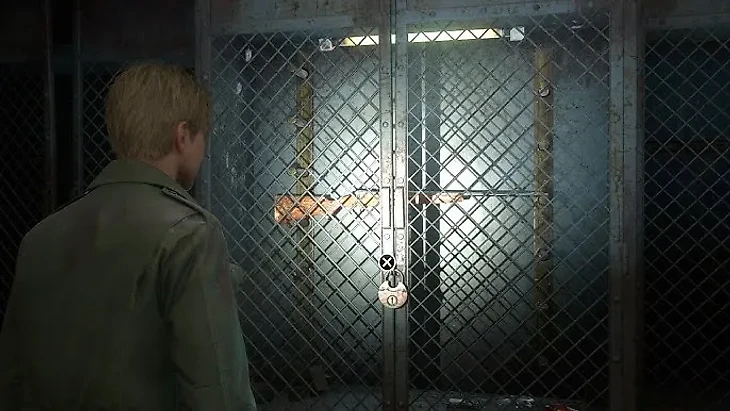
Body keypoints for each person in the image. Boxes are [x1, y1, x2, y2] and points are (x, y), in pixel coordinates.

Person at [0, 63, 257, 410]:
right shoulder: (191, 235)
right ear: (183, 136)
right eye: (202, 137)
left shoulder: (39, 238)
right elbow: (219, 395)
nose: (203, 150)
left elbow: (13, 379)